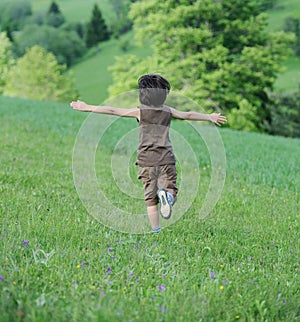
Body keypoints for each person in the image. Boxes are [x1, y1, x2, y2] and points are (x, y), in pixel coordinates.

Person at [70, 74, 227, 233]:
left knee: (150, 200)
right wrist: (209, 117)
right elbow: (188, 114)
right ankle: (168, 197)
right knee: (170, 189)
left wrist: (87, 107)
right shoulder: (167, 111)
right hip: (166, 158)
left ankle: (156, 231)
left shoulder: (140, 112)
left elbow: (112, 110)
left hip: (146, 161)